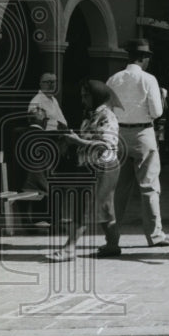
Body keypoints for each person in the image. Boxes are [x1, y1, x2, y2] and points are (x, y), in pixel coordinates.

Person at [104, 39, 169, 255]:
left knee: (118, 188)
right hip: (143, 133)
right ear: (144, 58)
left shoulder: (113, 79)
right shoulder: (148, 79)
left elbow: (107, 107)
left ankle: (112, 238)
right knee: (149, 186)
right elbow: (156, 112)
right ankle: (155, 235)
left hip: (118, 133)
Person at [48, 80, 120, 261]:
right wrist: (71, 139)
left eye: (85, 95)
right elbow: (90, 137)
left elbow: (106, 145)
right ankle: (112, 245)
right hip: (91, 166)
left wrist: (77, 141)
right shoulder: (91, 115)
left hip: (102, 166)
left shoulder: (107, 116)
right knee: (104, 207)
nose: (83, 99)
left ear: (96, 96)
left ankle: (69, 248)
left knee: (84, 209)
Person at [22, 72, 68, 223]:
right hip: (45, 142)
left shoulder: (53, 99)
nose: (51, 85)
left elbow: (60, 121)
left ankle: (49, 217)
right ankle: (41, 218)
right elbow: (35, 123)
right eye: (47, 82)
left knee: (54, 180)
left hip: (57, 143)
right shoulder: (37, 101)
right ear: (40, 84)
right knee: (43, 180)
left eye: (54, 82)